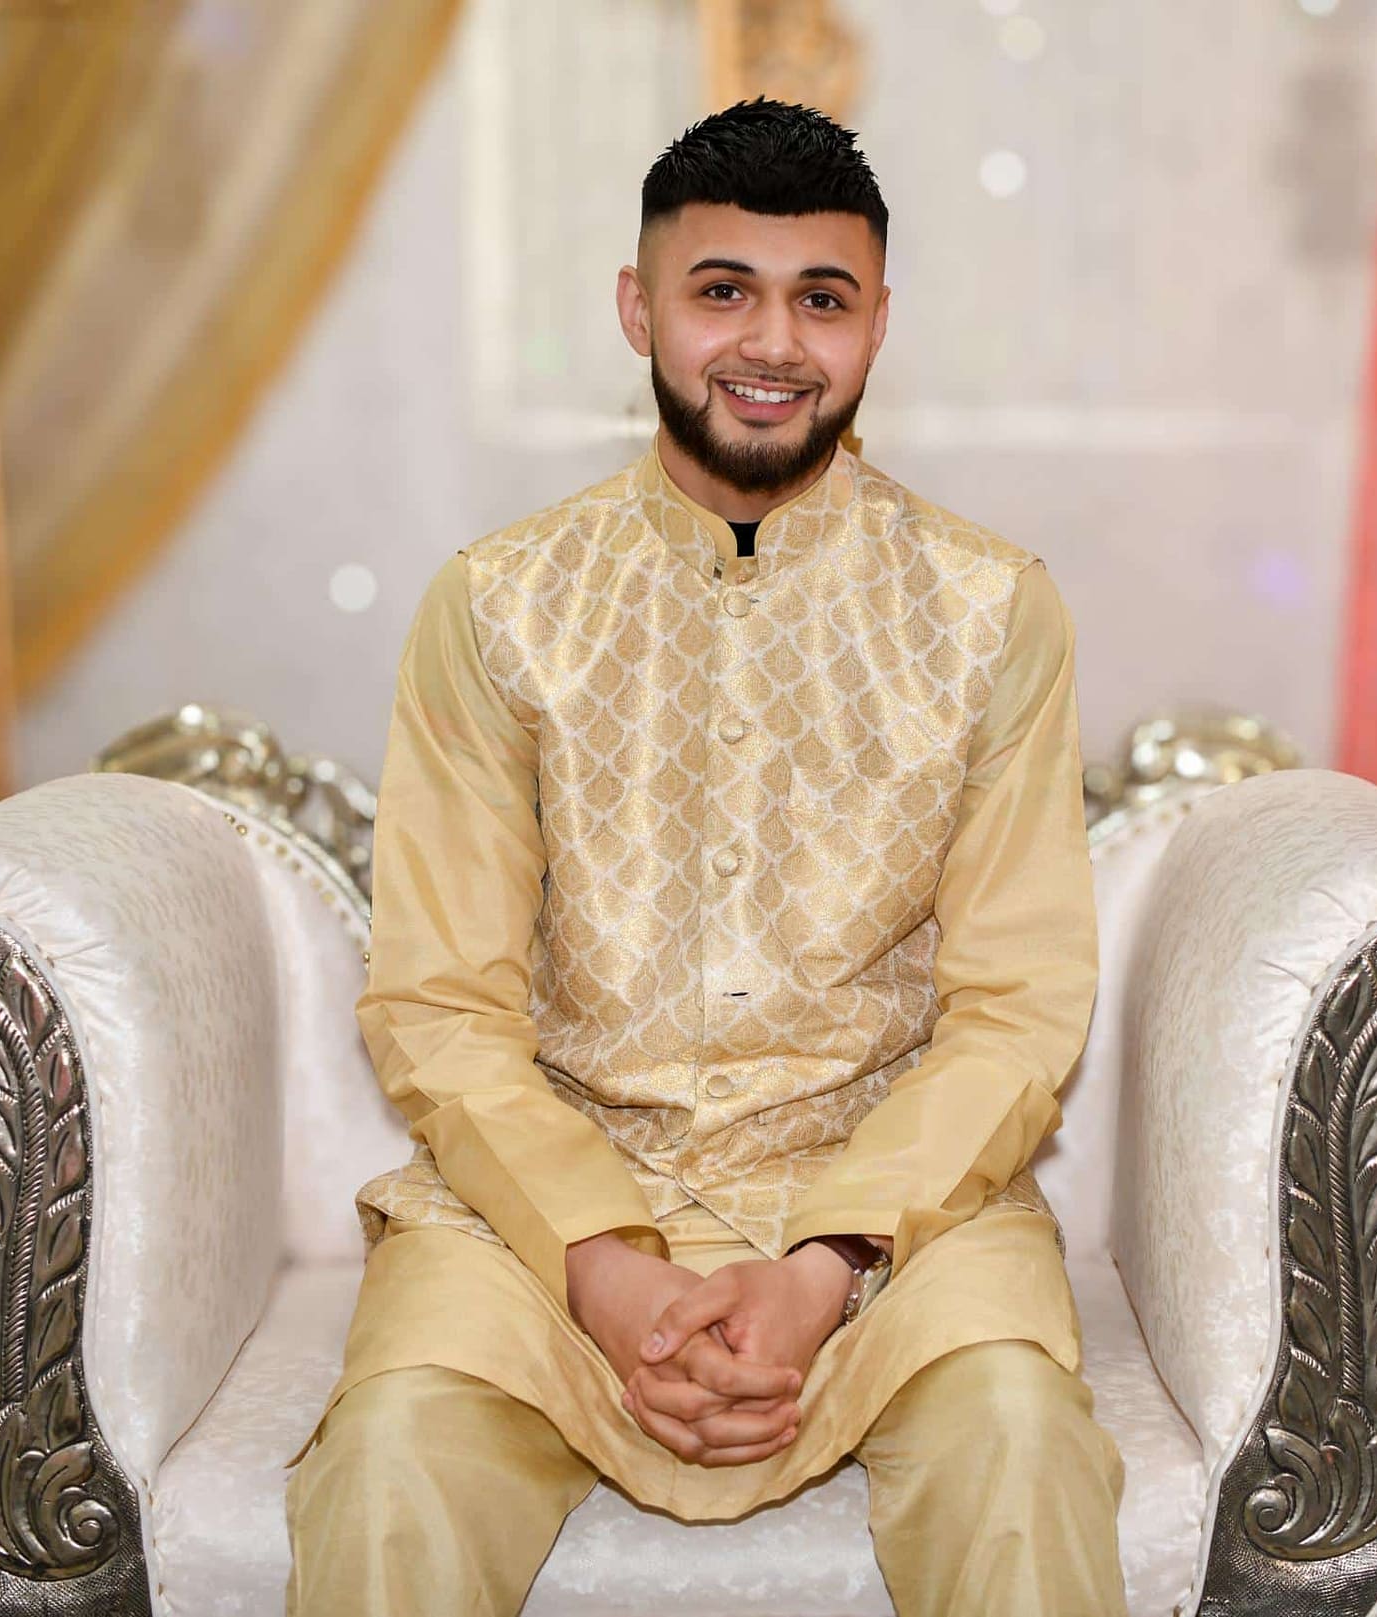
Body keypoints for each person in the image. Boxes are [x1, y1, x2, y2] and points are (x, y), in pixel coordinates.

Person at [285, 97, 1125, 1616]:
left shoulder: (992, 608)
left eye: (824, 299)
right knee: (396, 1460)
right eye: (723, 289)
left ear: (879, 324)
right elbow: (439, 1002)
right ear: (639, 309)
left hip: (893, 1218)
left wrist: (825, 1264)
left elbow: (1019, 1004)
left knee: (1015, 1437)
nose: (773, 343)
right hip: (542, 1214)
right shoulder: (501, 605)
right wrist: (601, 1262)